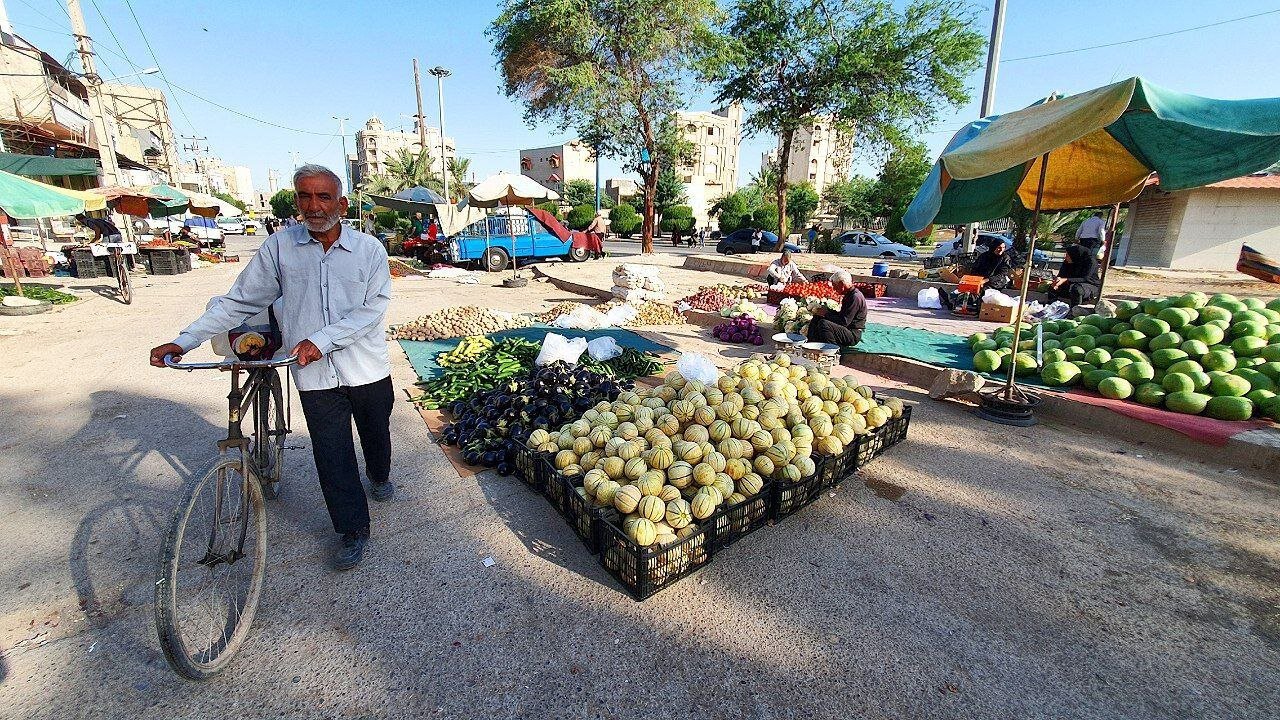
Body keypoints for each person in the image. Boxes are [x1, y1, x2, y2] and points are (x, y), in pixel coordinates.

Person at [148, 164, 393, 571]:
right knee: (331, 453)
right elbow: (239, 301)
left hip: (365, 367)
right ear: (296, 201)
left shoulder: (369, 251)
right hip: (312, 374)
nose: (314, 206)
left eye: (324, 197)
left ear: (342, 204)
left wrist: (323, 339)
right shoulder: (279, 248)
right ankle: (352, 530)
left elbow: (374, 309)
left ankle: (380, 476)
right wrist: (184, 340)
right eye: (305, 197)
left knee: (376, 432)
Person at [806, 271, 867, 346]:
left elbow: (844, 321)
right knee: (817, 317)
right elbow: (841, 315)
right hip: (846, 328)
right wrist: (826, 311)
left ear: (841, 284)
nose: (834, 289)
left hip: (852, 334)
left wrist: (826, 314)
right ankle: (811, 344)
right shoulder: (849, 295)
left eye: (835, 286)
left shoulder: (855, 297)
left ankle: (832, 350)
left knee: (824, 324)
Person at [1048, 237, 1102, 307]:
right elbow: (1061, 275)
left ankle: (1075, 310)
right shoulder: (1068, 262)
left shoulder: (1090, 262)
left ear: (1075, 255)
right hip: (1071, 284)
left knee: (1077, 289)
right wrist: (1057, 281)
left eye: (1067, 255)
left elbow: (1086, 278)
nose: (1066, 257)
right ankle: (1051, 307)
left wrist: (1066, 279)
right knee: (1052, 287)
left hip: (1089, 285)